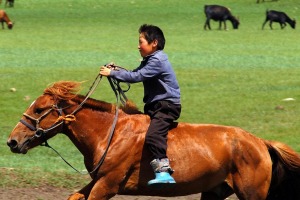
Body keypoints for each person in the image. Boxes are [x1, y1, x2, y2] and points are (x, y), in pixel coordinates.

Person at [99, 24, 181, 187]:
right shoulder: (151, 59)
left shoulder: (157, 60)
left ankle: (164, 171)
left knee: (153, 135)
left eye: (141, 42)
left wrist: (113, 73)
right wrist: (117, 70)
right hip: (156, 105)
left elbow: (137, 76)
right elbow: (135, 72)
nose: (138, 46)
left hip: (166, 105)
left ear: (154, 43)